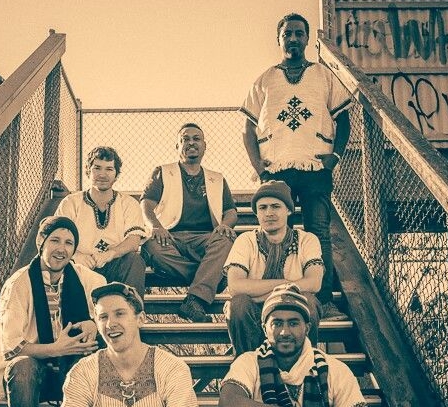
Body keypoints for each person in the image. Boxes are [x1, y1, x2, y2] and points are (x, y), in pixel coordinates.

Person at [240, 13, 352, 320]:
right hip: (277, 170)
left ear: (306, 38)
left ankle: (323, 301)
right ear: (278, 39)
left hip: (315, 167)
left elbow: (343, 119)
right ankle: (275, 298)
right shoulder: (265, 79)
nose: (293, 38)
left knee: (319, 232)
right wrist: (259, 168)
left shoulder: (323, 75)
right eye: (287, 33)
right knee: (277, 232)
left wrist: (335, 157)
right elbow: (248, 127)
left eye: (299, 33)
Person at [0, 216, 107, 406]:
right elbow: (12, 348)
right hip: (31, 371)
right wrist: (56, 349)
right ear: (41, 242)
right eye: (55, 240)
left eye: (68, 243)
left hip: (69, 364)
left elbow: (109, 314)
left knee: (91, 361)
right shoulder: (18, 284)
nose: (61, 249)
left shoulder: (89, 279)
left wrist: (93, 324)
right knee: (23, 367)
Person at [140, 122, 238, 322]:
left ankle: (194, 301)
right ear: (177, 146)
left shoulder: (217, 178)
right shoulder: (163, 171)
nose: (191, 143)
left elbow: (231, 212)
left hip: (205, 239)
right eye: (185, 139)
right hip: (170, 238)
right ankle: (212, 277)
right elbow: (146, 204)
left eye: (196, 139)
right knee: (151, 247)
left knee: (226, 240)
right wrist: (156, 226)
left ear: (204, 146)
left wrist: (225, 225)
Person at [219, 283, 367, 407]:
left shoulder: (336, 370)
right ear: (264, 329)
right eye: (277, 323)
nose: (285, 332)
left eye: (293, 323)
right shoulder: (248, 363)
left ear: (307, 328)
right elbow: (228, 401)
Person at [224, 181, 323, 355]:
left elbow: (314, 283)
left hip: (292, 308)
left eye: (276, 206)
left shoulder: (307, 240)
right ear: (257, 213)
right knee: (238, 304)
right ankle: (247, 363)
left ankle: (304, 364)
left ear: (289, 210)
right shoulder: (245, 240)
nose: (269, 213)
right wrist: (285, 284)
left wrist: (262, 294)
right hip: (254, 312)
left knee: (309, 301)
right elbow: (235, 286)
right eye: (262, 208)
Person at [62, 282, 198, 406]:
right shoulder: (83, 372)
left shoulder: (171, 369)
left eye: (119, 314)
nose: (110, 324)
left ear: (140, 319)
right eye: (103, 317)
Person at [55, 146, 147, 297]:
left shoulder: (128, 203)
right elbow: (57, 237)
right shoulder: (71, 202)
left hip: (114, 264)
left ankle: (132, 307)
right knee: (66, 265)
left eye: (109, 169)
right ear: (88, 171)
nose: (102, 174)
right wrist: (76, 256)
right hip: (81, 264)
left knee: (134, 260)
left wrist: (110, 254)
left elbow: (133, 241)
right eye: (97, 168)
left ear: (116, 175)